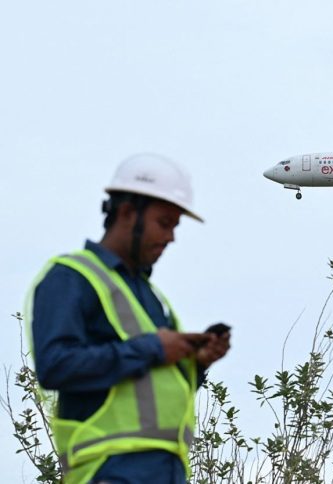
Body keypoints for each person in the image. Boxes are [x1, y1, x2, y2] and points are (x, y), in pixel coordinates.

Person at [25, 153, 231, 483]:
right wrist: (152, 349)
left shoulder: (149, 296)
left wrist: (195, 365)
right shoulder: (71, 277)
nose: (171, 237)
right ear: (126, 213)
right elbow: (56, 365)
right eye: (164, 223)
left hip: (166, 472)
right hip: (108, 471)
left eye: (175, 226)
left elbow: (147, 390)